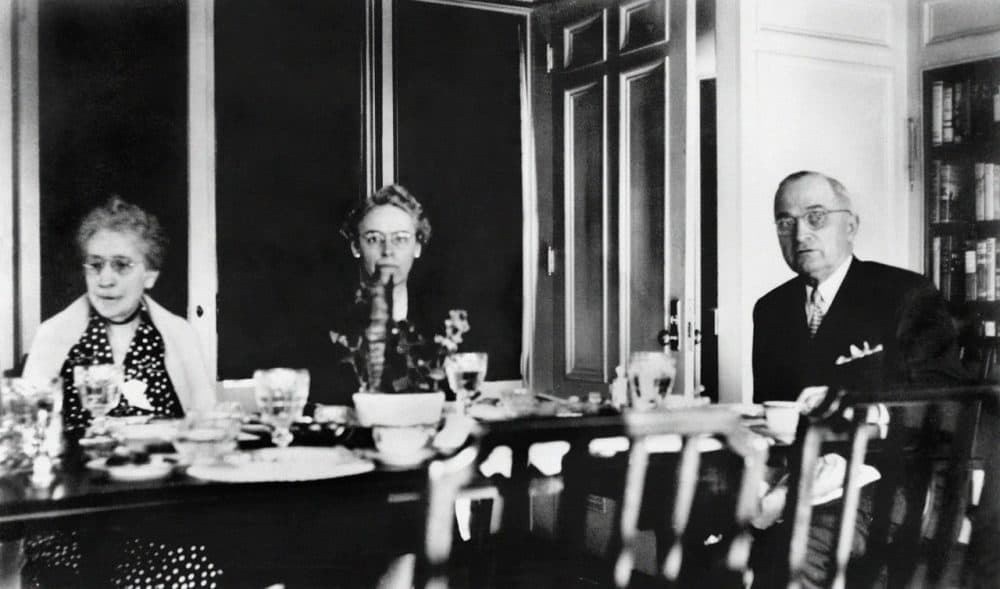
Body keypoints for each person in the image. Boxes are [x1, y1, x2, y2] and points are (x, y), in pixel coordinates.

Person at [750, 171, 967, 587]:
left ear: (850, 225)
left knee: (797, 551)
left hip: (896, 479)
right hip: (804, 475)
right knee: (705, 515)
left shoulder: (904, 293)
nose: (800, 234)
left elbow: (949, 400)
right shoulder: (771, 310)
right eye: (785, 221)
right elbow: (776, 412)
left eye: (816, 217)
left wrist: (865, 414)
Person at [20, 196, 220, 587]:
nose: (104, 279)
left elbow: (207, 428)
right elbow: (26, 443)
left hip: (156, 516)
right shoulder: (53, 336)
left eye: (121, 265)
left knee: (200, 570)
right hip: (70, 521)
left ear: (150, 274)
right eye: (94, 265)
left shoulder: (176, 334)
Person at [311, 183, 437, 407]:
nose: (388, 250)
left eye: (400, 238)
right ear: (355, 247)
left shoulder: (438, 327)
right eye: (373, 239)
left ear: (417, 246)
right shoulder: (325, 328)